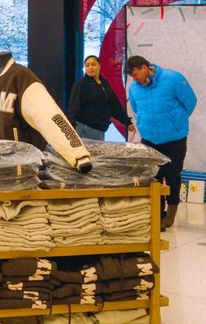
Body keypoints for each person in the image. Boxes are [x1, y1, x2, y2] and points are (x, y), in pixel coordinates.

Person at [126, 55, 197, 230]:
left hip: (174, 139)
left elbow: (191, 102)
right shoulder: (134, 88)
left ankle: (171, 213)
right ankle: (158, 214)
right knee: (153, 177)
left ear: (145, 67)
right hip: (150, 139)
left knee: (173, 175)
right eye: (132, 77)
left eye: (135, 74)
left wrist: (175, 120)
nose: (134, 79)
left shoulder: (172, 79)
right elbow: (136, 109)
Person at [67, 54, 135, 141]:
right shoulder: (81, 84)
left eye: (93, 64)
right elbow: (73, 106)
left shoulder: (104, 83)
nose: (90, 67)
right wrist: (70, 127)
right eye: (87, 65)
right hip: (85, 128)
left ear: (99, 66)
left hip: (100, 129)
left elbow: (114, 105)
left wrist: (127, 122)